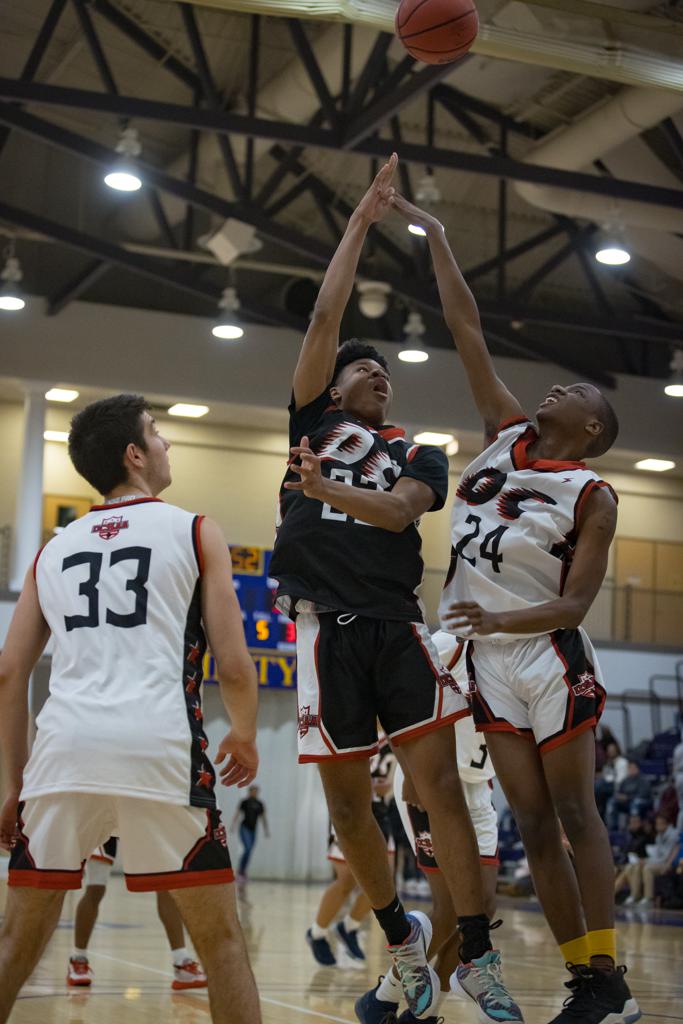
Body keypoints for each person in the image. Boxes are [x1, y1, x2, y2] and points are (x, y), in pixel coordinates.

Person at [268, 155, 521, 1022]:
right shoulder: (313, 420)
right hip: (318, 627)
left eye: (386, 373)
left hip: (393, 623)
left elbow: (402, 511)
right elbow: (326, 310)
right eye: (362, 370)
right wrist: (360, 223)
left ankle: (478, 958)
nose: (378, 375)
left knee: (438, 789)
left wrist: (326, 491)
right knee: (345, 807)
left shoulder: (419, 451)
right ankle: (403, 947)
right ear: (330, 388)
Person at [389, 192, 640, 1024]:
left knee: (572, 812)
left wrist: (498, 622)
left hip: (545, 654)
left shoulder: (591, 493)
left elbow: (574, 603)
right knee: (530, 824)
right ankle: (589, 984)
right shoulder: (502, 434)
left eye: (572, 390)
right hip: (485, 661)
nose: (554, 387)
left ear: (591, 428)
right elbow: (466, 330)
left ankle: (605, 971)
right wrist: (437, 237)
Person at [0, 394, 261, 1024]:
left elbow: (9, 673)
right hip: (160, 752)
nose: (167, 444)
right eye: (159, 434)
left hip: (62, 758)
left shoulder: (50, 552)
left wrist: (13, 783)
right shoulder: (195, 529)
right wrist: (246, 731)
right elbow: (231, 661)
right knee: (223, 945)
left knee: (14, 944)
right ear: (134, 455)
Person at [356, 630, 499, 1024]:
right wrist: (410, 770)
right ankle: (384, 999)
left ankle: (414, 1007)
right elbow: (392, 705)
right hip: (433, 783)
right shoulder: (444, 643)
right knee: (452, 905)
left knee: (482, 908)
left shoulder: (518, 649)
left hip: (481, 789)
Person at [67, 838, 207, 989]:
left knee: (166, 885)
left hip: (140, 817)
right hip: (105, 820)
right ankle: (78, 958)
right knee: (95, 887)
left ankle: (181, 961)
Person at [307, 737, 396, 966]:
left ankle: (349, 927)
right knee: (346, 879)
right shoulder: (353, 726)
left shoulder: (396, 733)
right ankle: (317, 933)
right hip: (350, 807)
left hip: (381, 812)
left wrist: (392, 786)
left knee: (384, 880)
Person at [621, 814, 679, 906]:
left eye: (659, 824)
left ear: (666, 824)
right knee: (636, 867)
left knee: (647, 868)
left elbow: (665, 858)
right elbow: (656, 855)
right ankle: (635, 895)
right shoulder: (659, 835)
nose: (657, 826)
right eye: (657, 824)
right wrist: (645, 860)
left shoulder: (672, 836)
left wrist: (647, 861)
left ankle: (649, 898)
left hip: (667, 864)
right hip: (659, 862)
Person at [231, 785, 269, 881]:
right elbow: (238, 813)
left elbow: (263, 817)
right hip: (244, 828)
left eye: (256, 791)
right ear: (249, 792)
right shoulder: (244, 802)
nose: (254, 793)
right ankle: (240, 872)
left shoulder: (260, 804)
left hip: (253, 830)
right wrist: (233, 825)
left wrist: (266, 830)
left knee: (249, 851)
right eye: (253, 791)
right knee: (247, 849)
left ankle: (243, 872)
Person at [607, 761, 652, 830]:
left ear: (637, 769)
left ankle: (635, 828)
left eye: (633, 767)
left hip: (642, 802)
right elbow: (619, 793)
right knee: (612, 802)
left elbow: (643, 794)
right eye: (629, 768)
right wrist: (619, 796)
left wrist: (628, 797)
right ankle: (613, 827)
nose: (631, 769)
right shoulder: (625, 780)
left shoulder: (643, 780)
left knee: (635, 803)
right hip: (627, 803)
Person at [595, 741, 629, 822]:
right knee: (597, 786)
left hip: (618, 786)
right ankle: (599, 814)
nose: (610, 752)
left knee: (598, 786)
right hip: (607, 786)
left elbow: (621, 778)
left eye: (612, 750)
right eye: (609, 750)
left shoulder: (622, 762)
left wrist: (608, 778)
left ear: (617, 750)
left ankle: (595, 809)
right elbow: (606, 775)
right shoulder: (608, 763)